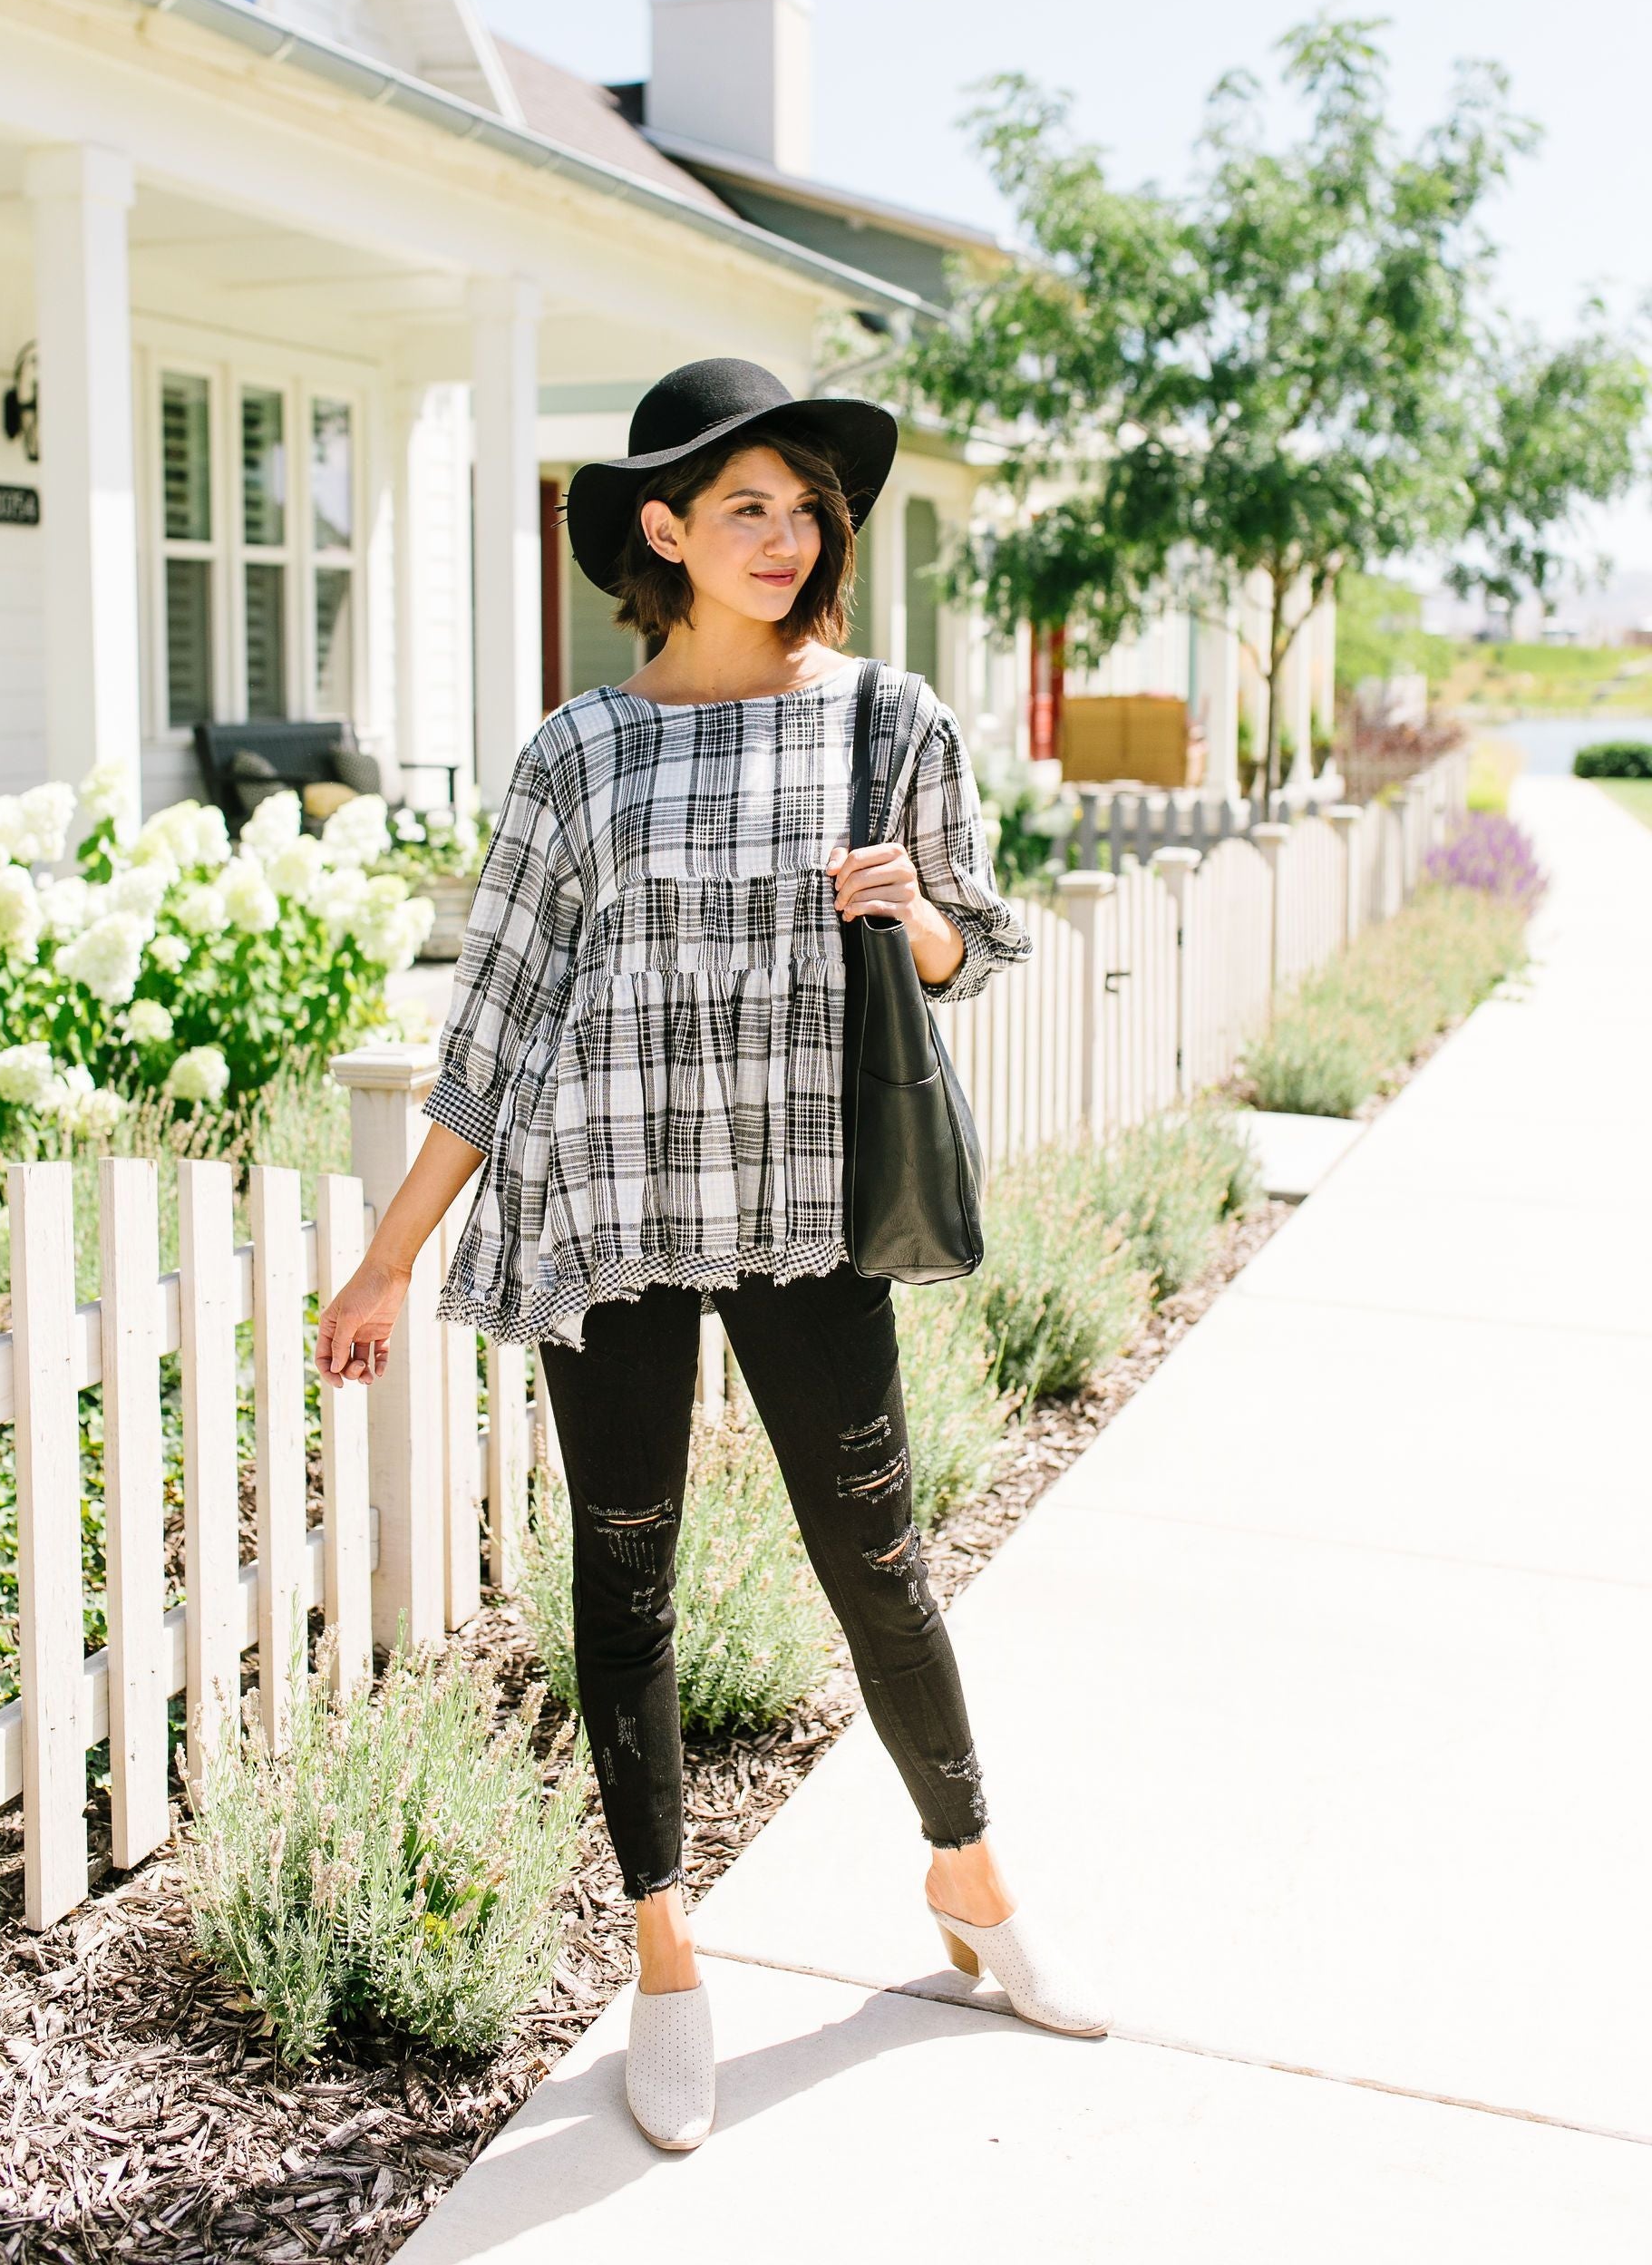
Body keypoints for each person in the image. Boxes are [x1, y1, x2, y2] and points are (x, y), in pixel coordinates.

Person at [316, 356, 1105, 2153]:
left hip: (807, 1212)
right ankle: (666, 1950)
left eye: (805, 504)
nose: (784, 535)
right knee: (627, 1577)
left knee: (878, 1558)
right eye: (742, 504)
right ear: (660, 530)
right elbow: (499, 1019)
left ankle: (970, 1881)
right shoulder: (578, 751)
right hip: (608, 1213)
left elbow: (976, 947)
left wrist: (912, 916)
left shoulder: (885, 718)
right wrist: (382, 1265)